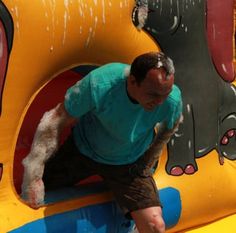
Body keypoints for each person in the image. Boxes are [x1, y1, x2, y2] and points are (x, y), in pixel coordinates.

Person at [21, 51, 183, 233]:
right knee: (33, 198)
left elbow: (170, 127)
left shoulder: (171, 100)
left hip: (129, 163)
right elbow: (55, 119)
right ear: (132, 81)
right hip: (83, 150)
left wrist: (148, 162)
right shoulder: (101, 84)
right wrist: (34, 177)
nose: (160, 102)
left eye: (165, 94)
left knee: (155, 226)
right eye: (153, 94)